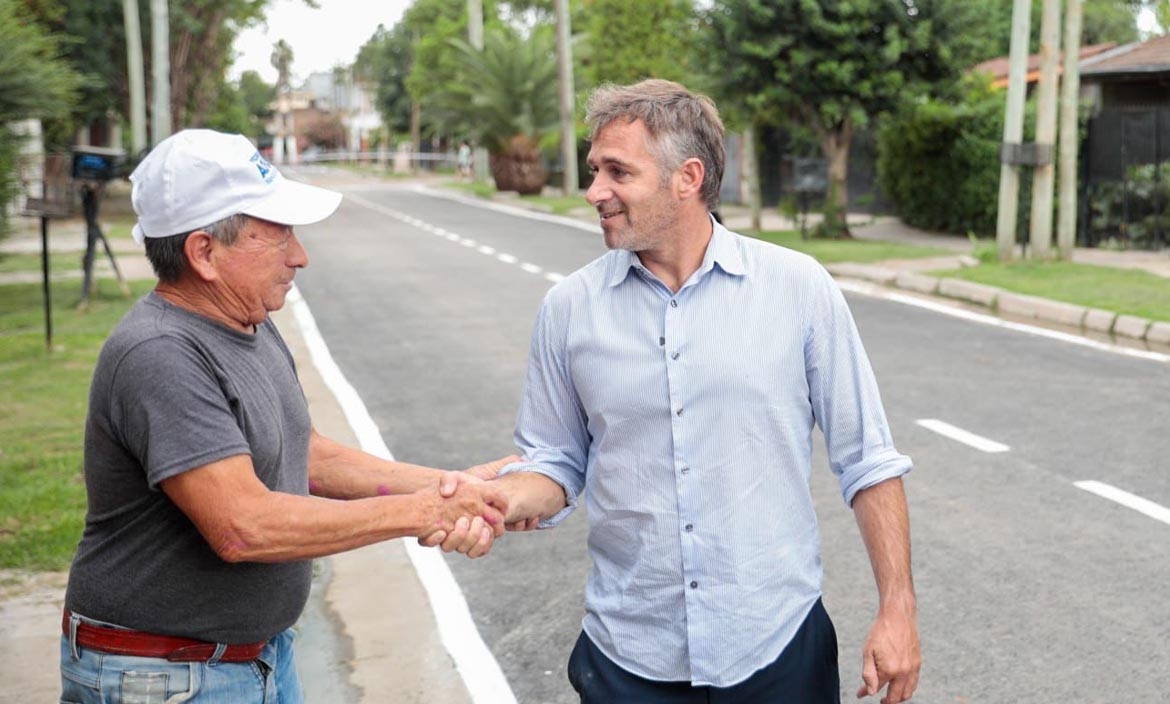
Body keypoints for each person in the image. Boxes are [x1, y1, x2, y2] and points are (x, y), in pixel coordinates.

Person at [449, 80, 921, 703]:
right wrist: (499, 498)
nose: (595, 191)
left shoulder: (798, 289)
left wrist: (897, 609)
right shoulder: (568, 309)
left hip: (776, 645)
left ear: (687, 178)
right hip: (627, 657)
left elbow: (868, 459)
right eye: (595, 171)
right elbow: (555, 461)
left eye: (618, 172)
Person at [60, 128, 511, 704]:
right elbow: (242, 525)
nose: (300, 255)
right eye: (278, 236)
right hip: (165, 675)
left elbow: (307, 452)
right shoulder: (161, 353)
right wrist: (426, 511)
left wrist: (455, 486)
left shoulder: (246, 321)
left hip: (252, 658)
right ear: (204, 253)